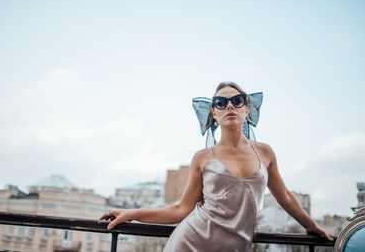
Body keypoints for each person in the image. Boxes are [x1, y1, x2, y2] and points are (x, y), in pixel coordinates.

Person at [99, 82, 333, 251]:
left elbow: (285, 198)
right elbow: (182, 209)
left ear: (247, 109)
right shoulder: (202, 157)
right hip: (190, 242)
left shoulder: (265, 152)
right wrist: (133, 214)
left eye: (237, 101)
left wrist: (312, 226)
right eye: (221, 103)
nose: (229, 106)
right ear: (213, 113)